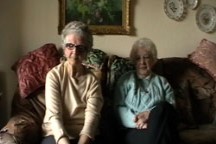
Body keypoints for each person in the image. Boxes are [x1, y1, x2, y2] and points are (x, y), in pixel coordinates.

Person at [41, 21, 104, 144]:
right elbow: (54, 116)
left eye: (80, 48)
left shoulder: (93, 80)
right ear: (64, 48)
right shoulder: (54, 76)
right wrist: (63, 140)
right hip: (56, 134)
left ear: (87, 51)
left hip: (84, 135)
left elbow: (92, 116)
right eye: (70, 46)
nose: (75, 52)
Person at [113, 38, 179, 144]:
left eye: (146, 57)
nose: (142, 62)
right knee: (165, 136)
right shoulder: (125, 80)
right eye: (138, 58)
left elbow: (171, 109)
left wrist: (149, 115)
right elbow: (118, 108)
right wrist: (137, 121)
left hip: (159, 125)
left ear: (153, 60)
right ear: (134, 61)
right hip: (135, 130)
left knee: (164, 107)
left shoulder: (162, 82)